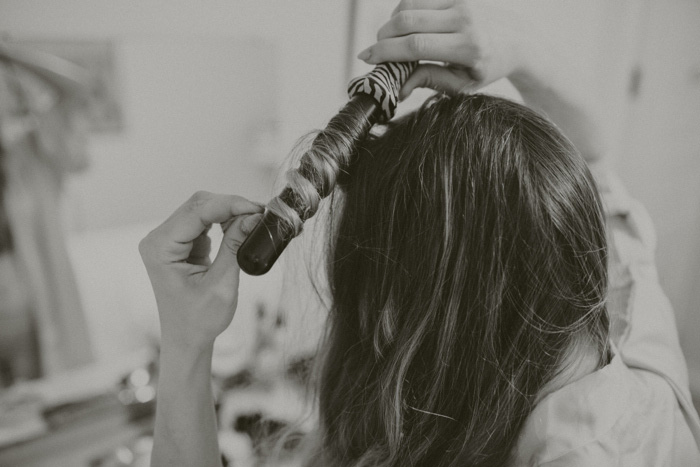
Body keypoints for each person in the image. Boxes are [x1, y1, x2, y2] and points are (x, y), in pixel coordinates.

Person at [141, 1, 700, 466]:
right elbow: (598, 164)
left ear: (404, 307)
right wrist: (519, 48)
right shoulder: (623, 332)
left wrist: (187, 348)